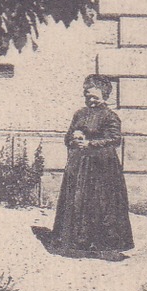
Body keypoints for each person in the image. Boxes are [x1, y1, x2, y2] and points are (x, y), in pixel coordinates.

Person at [50, 74, 134, 254]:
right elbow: (67, 137)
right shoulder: (79, 114)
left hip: (102, 166)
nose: (91, 101)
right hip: (79, 166)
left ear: (104, 96)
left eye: (95, 97)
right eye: (88, 97)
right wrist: (74, 138)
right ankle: (76, 241)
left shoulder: (110, 116)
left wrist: (90, 143)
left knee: (101, 202)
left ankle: (103, 243)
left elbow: (114, 139)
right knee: (77, 200)